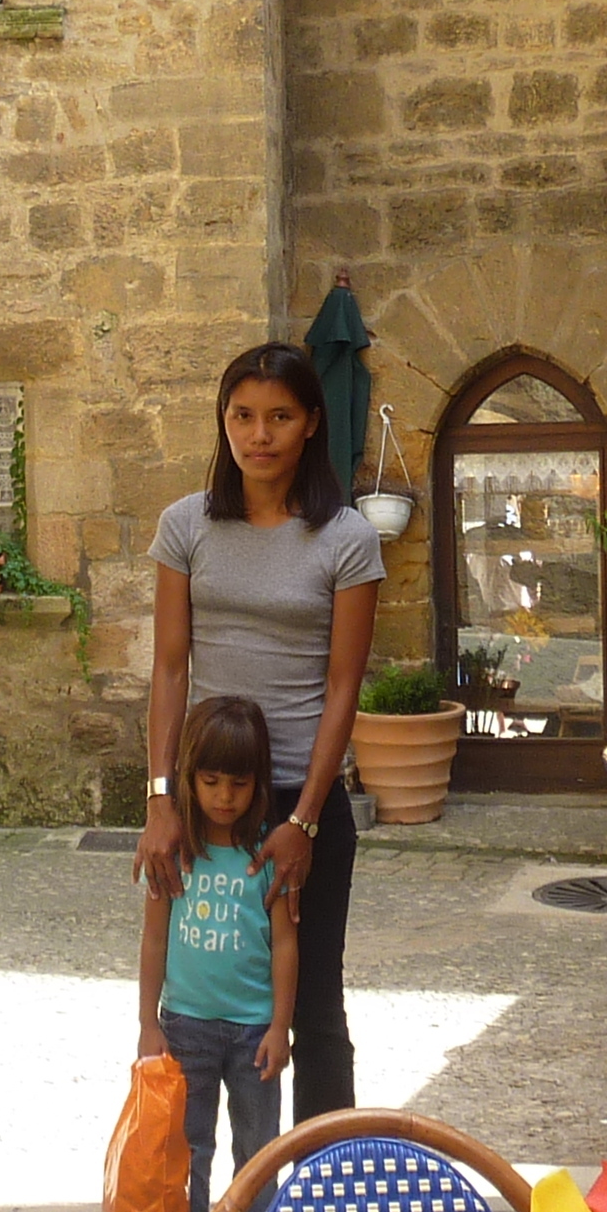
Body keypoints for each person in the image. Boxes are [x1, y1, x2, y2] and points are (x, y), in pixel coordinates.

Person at [139, 339, 383, 1118]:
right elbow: (171, 669)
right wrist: (161, 799)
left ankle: (324, 1199)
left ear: (311, 423)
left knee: (311, 1005)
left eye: (279, 416)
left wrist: (305, 820)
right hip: (208, 801)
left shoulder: (347, 538)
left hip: (298, 804)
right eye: (242, 416)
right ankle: (209, 1200)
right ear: (224, 422)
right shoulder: (187, 526)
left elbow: (344, 688)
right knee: (204, 1002)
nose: (259, 434)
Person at [136, 695, 297, 1212]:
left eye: (239, 783)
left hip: (254, 1033)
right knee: (187, 1146)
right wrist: (147, 1023)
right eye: (210, 782)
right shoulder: (175, 855)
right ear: (189, 779)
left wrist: (281, 1026)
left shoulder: (267, 857)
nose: (224, 797)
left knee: (257, 1151)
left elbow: (284, 942)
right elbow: (154, 939)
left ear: (259, 783)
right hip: (186, 1028)